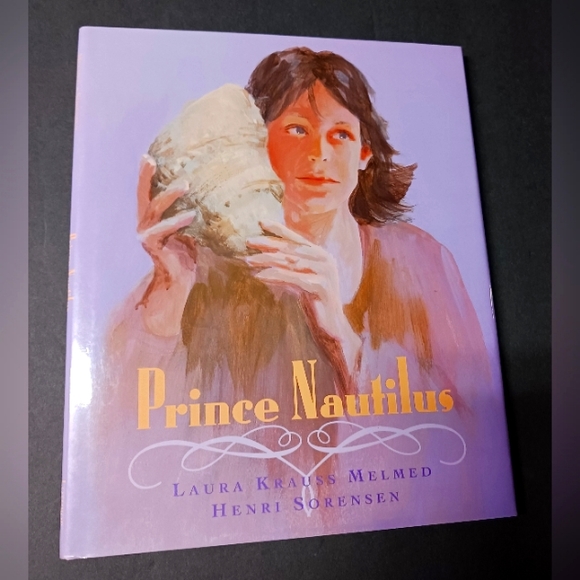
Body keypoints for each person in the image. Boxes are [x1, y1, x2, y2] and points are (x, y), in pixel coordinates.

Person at [95, 48, 494, 552]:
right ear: (257, 144)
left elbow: (475, 444)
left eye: (341, 134)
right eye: (297, 129)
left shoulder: (421, 261)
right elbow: (119, 445)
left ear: (365, 153)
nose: (319, 154)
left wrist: (341, 335)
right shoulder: (201, 271)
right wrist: (170, 291)